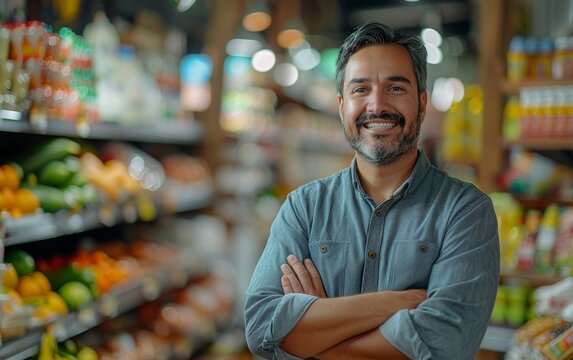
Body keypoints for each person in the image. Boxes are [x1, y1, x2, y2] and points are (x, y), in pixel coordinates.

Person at [244, 22, 500, 359]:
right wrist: (396, 303)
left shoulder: (466, 211)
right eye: (360, 89)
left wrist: (316, 334)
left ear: (422, 104)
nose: (376, 105)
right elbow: (262, 330)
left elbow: (445, 343)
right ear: (341, 106)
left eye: (395, 88)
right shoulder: (304, 207)